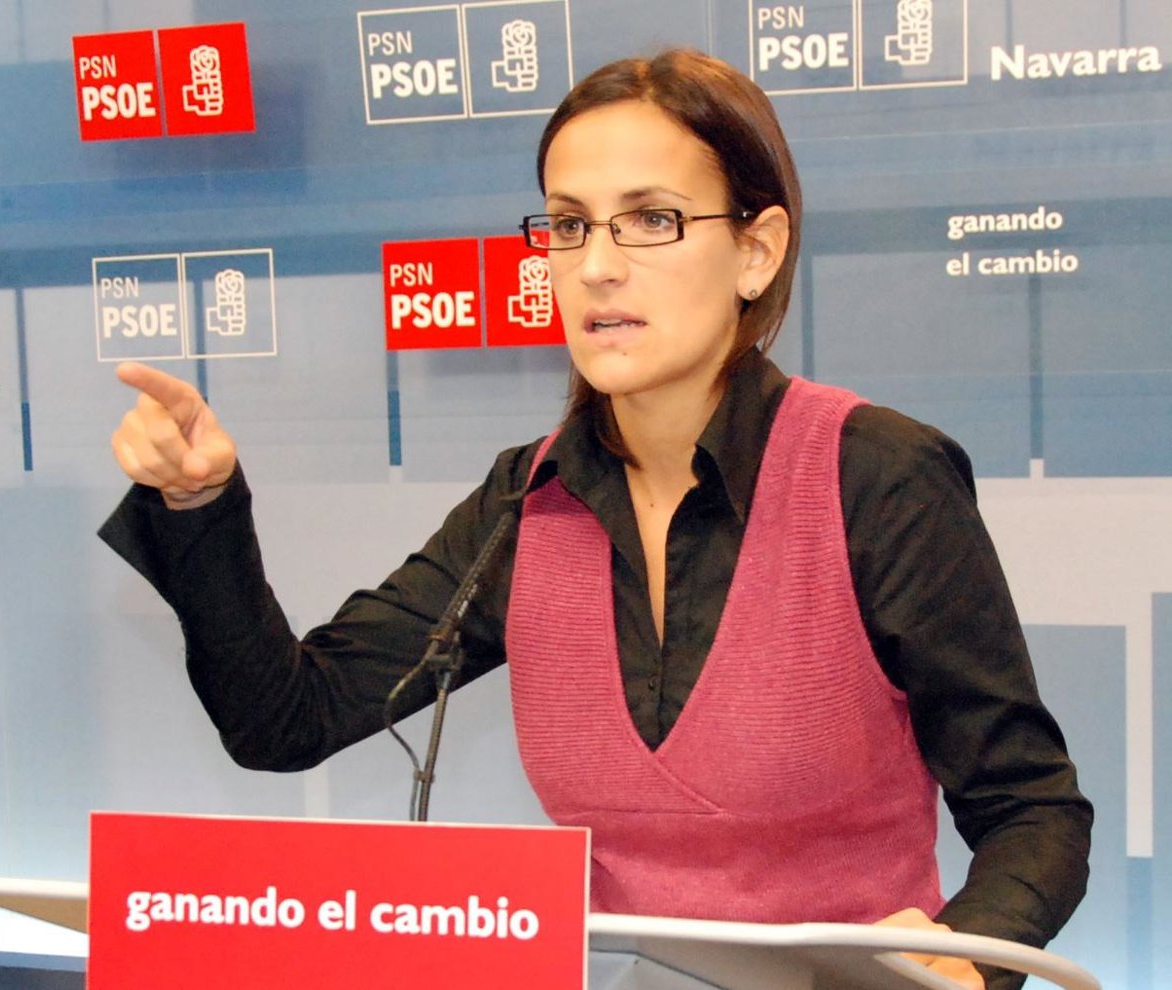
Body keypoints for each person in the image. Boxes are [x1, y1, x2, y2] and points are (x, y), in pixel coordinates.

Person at [100, 49, 1091, 990]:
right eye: (570, 226)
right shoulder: (523, 502)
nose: (598, 266)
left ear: (756, 251)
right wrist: (198, 504)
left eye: (651, 219)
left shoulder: (877, 478)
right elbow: (285, 720)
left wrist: (967, 954)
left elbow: (1033, 809)